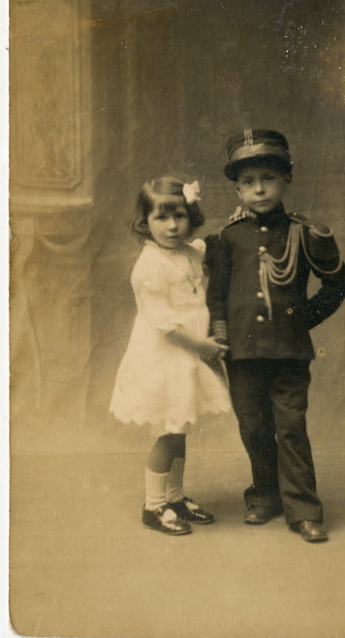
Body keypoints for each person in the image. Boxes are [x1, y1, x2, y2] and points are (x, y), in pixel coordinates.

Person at [205, 129, 345, 543]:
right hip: (241, 353)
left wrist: (303, 319)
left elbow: (339, 282)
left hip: (288, 352)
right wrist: (218, 334)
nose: (259, 189)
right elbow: (216, 296)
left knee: (290, 428)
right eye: (248, 182)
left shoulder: (305, 234)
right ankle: (265, 496)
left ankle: (304, 510)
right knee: (253, 428)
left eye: (268, 178)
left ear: (287, 179)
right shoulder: (226, 238)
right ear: (237, 188)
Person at [110, 176, 231, 536]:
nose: (172, 226)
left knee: (180, 429)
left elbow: (209, 250)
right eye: (161, 218)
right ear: (144, 223)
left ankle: (175, 497)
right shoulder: (148, 268)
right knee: (167, 432)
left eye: (179, 216)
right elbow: (167, 326)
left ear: (191, 217)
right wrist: (203, 346)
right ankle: (153, 506)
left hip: (185, 360)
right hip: (164, 358)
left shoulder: (190, 251)